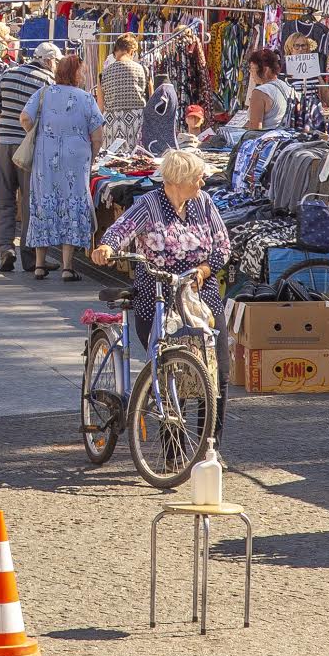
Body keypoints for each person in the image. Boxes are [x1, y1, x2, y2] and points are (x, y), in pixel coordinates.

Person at [91, 149, 232, 440]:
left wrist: (204, 270)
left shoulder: (204, 203)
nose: (203, 184)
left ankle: (210, 445)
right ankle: (173, 452)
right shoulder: (148, 205)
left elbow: (223, 246)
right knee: (169, 370)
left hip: (200, 295)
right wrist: (106, 247)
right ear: (178, 180)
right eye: (197, 178)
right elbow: (121, 230)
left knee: (217, 369)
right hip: (157, 296)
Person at [0, 42, 58, 272]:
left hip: (3, 144)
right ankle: (31, 258)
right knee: (30, 202)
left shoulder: (8, 73)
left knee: (4, 200)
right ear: (49, 61)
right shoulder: (47, 82)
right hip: (29, 147)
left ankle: (4, 248)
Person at [22, 54, 105, 281]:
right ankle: (68, 267)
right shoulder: (86, 98)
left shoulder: (44, 93)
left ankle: (39, 265)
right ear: (76, 73)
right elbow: (98, 135)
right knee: (72, 204)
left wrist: (40, 136)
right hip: (76, 160)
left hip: (45, 158)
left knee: (43, 204)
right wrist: (92, 153)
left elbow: (25, 118)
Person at [96, 33, 150, 150]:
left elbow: (100, 107)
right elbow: (151, 101)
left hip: (112, 123)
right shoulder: (143, 70)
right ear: (132, 51)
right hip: (137, 122)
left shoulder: (103, 74)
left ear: (116, 51)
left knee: (112, 163)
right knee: (138, 163)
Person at [244, 48, 293, 131]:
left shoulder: (260, 92)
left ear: (265, 69)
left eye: (252, 69)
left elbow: (255, 129)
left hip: (266, 140)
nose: (250, 72)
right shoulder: (288, 87)